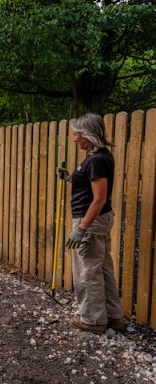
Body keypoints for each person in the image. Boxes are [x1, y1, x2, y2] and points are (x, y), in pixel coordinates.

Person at [61, 113, 125, 335]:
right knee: (103, 268)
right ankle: (113, 317)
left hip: (90, 221)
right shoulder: (98, 156)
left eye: (77, 134)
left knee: (87, 272)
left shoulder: (96, 160)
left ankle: (92, 321)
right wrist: (71, 178)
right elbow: (89, 184)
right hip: (99, 221)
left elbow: (98, 199)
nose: (75, 138)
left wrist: (81, 229)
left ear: (87, 134)